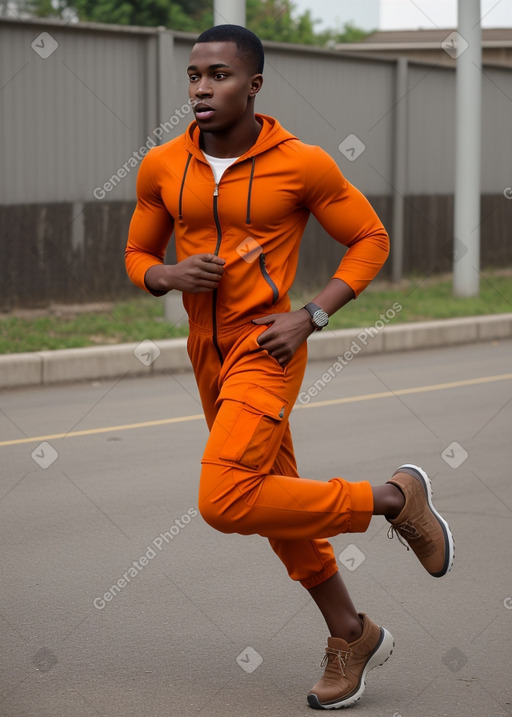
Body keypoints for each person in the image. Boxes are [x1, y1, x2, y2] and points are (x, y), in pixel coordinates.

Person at [125, 24, 454, 710]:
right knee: (275, 497)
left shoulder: (301, 164)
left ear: (254, 85)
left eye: (218, 75)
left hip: (267, 350)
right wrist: (167, 275)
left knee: (224, 498)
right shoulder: (162, 164)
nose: (201, 88)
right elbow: (136, 255)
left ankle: (392, 498)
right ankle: (350, 633)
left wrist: (313, 313)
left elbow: (369, 237)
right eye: (193, 76)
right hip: (204, 354)